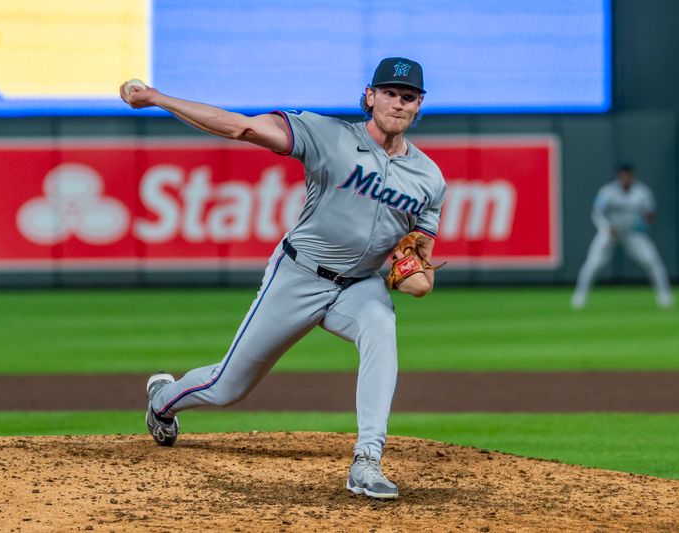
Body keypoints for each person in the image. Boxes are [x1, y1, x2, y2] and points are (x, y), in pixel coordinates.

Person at [120, 57, 447, 500]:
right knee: (226, 387)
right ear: (370, 97)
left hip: (360, 285)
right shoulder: (327, 135)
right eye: (389, 92)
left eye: (408, 96)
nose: (398, 102)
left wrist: (413, 275)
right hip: (299, 275)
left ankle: (367, 460)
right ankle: (163, 401)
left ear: (418, 106)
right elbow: (241, 128)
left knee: (381, 327)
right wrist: (158, 98)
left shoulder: (429, 178)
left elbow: (417, 257)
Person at [572, 163, 673, 309]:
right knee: (593, 263)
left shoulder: (642, 192)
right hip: (610, 231)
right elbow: (597, 213)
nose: (626, 178)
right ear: (618, 176)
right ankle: (580, 296)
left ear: (633, 176)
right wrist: (606, 227)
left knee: (652, 260)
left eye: (629, 175)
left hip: (632, 233)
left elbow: (649, 215)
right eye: (623, 175)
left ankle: (664, 296)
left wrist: (646, 220)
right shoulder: (607, 192)